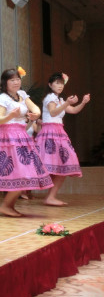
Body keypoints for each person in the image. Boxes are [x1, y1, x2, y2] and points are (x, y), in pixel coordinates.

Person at [0, 68, 53, 217]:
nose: (16, 82)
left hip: (22, 136)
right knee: (19, 172)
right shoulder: (2, 98)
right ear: (5, 83)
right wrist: (11, 115)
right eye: (12, 80)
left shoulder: (22, 94)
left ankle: (9, 206)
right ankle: (6, 205)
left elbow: (35, 108)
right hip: (9, 137)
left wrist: (36, 114)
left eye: (17, 79)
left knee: (25, 172)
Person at [36, 72, 90, 206]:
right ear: (50, 84)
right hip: (50, 132)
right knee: (45, 165)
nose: (60, 86)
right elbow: (53, 112)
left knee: (63, 165)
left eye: (62, 83)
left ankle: (51, 197)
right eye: (57, 83)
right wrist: (67, 102)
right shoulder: (49, 97)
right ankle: (22, 191)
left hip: (59, 132)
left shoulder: (59, 99)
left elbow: (74, 110)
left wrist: (83, 102)